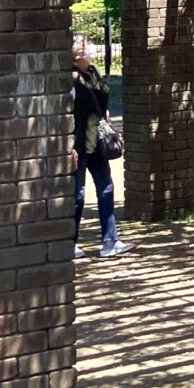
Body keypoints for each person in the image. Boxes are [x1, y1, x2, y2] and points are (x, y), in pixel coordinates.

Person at [72, 50, 130, 260]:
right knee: (77, 194)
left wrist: (108, 124)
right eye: (84, 46)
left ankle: (110, 240)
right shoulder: (69, 79)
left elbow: (101, 103)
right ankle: (70, 242)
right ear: (75, 56)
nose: (89, 49)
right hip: (79, 143)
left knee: (106, 188)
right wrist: (69, 145)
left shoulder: (93, 73)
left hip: (97, 142)